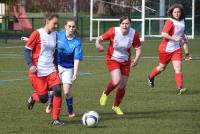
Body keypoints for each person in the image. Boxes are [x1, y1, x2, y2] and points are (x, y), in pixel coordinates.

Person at [95, 16, 142, 115]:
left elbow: (138, 48)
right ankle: (105, 93)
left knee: (122, 86)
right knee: (116, 80)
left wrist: (137, 59)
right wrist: (98, 45)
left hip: (125, 61)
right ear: (120, 24)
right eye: (123, 23)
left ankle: (116, 106)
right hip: (112, 58)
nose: (125, 25)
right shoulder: (113, 31)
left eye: (127, 23)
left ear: (130, 24)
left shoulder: (134, 34)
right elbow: (99, 39)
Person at [23, 13, 64, 126]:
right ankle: (33, 97)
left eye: (57, 23)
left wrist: (56, 69)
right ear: (47, 21)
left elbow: (54, 53)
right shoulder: (37, 33)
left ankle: (55, 119)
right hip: (38, 72)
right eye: (54, 23)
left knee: (57, 90)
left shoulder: (55, 35)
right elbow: (26, 51)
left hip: (51, 70)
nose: (56, 26)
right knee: (43, 98)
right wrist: (30, 64)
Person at [45, 18, 83, 118]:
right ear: (65, 27)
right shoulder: (58, 35)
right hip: (56, 66)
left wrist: (75, 73)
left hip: (68, 68)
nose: (71, 28)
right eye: (69, 26)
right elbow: (45, 37)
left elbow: (76, 59)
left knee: (66, 92)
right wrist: (31, 40)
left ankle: (70, 110)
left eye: (73, 27)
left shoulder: (77, 42)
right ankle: (51, 103)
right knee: (54, 89)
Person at [147, 4, 188, 95]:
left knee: (178, 68)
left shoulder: (182, 21)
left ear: (181, 12)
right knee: (162, 68)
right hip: (165, 49)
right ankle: (150, 76)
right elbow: (164, 34)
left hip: (176, 49)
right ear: (171, 13)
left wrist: (184, 37)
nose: (177, 14)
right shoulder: (170, 21)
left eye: (178, 12)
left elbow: (181, 32)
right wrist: (174, 38)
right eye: (175, 12)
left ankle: (179, 88)